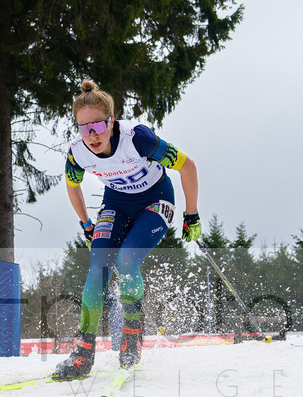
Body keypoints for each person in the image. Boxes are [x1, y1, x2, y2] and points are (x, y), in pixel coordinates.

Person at [54, 79, 202, 380]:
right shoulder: (77, 153)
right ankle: (83, 352)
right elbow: (72, 186)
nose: (92, 135)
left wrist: (192, 214)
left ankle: (132, 333)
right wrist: (85, 223)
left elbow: (187, 166)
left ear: (111, 121)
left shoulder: (137, 139)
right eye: (84, 128)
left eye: (97, 126)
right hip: (117, 204)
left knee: (127, 261)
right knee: (98, 268)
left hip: (156, 200)